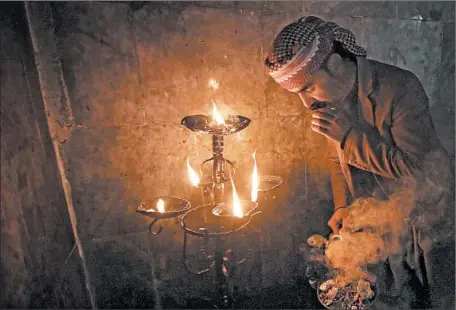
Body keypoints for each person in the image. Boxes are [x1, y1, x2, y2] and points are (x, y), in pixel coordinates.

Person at [264, 15, 454, 309]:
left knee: (434, 298)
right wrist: (342, 206)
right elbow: (335, 158)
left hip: (425, 221)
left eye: (309, 88)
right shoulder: (330, 101)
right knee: (384, 296)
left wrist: (351, 136)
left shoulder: (400, 88)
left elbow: (420, 174)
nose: (306, 103)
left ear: (336, 64)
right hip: (378, 221)